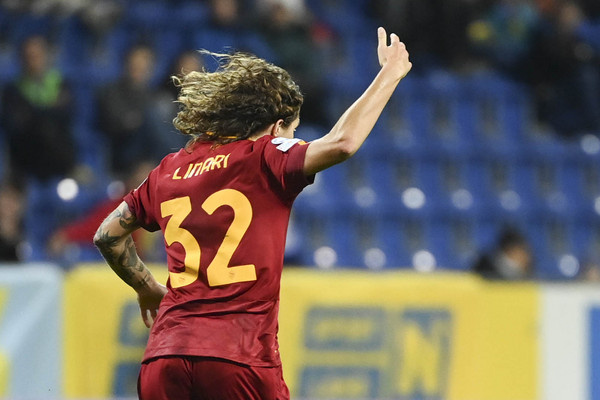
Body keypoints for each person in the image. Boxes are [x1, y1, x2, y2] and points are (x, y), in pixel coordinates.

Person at [93, 27, 411, 399]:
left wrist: (146, 287)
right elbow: (342, 143)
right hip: (238, 358)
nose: (292, 139)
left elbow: (107, 235)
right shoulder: (265, 156)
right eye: (292, 130)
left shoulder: (169, 169)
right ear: (276, 128)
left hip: (165, 357)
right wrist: (390, 74)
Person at [1, 34, 76, 182]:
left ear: (46, 57)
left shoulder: (61, 83)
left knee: (49, 130)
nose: (33, 61)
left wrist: (35, 112)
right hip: (28, 156)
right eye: (28, 57)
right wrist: (49, 110)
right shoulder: (13, 90)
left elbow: (67, 115)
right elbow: (17, 123)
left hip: (57, 155)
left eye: (37, 56)